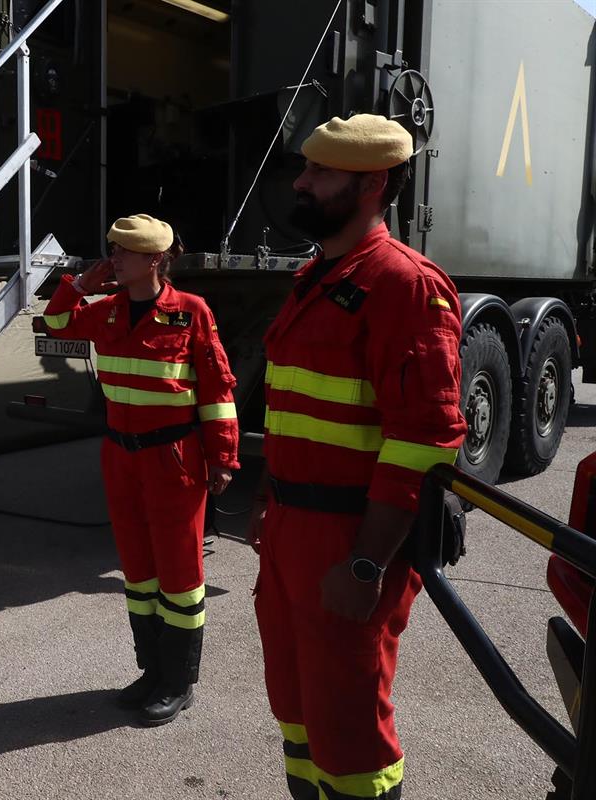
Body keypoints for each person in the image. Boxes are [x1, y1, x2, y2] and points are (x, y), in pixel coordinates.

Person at [248, 114, 467, 799]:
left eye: (320, 172)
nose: (302, 182)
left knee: (350, 734)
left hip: (349, 541)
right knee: (299, 713)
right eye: (305, 169)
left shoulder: (403, 285)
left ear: (372, 184)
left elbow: (424, 438)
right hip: (292, 532)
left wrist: (368, 561)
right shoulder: (320, 275)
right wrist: (273, 511)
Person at [43, 214, 239, 726]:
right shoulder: (105, 310)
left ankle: (178, 681)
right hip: (120, 457)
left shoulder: (190, 312)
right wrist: (79, 285)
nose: (114, 258)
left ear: (154, 259)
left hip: (173, 458)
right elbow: (55, 322)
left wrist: (222, 456)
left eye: (124, 252)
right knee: (138, 570)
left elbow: (217, 391)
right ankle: (151, 671)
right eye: (112, 249)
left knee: (179, 574)